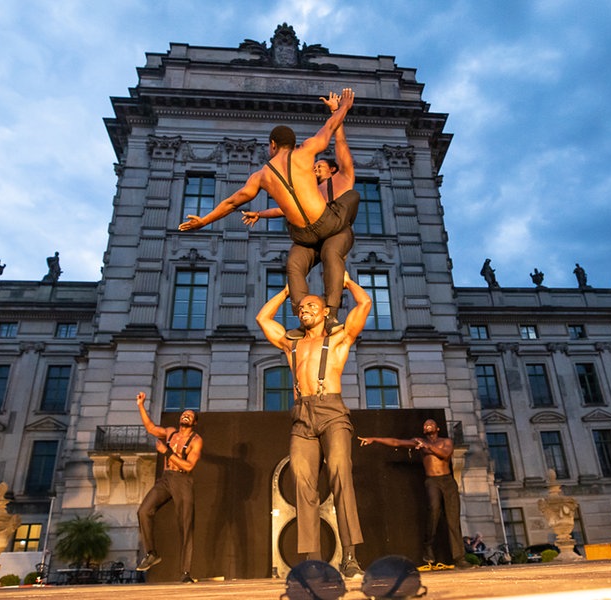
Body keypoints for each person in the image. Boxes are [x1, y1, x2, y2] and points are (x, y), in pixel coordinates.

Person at [183, 89, 357, 337]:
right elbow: (329, 128)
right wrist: (341, 109)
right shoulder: (306, 152)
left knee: (336, 233)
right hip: (311, 231)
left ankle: (329, 314)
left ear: (272, 145)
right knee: (295, 264)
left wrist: (204, 220)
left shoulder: (260, 176)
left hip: (320, 227)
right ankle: (307, 318)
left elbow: (231, 202)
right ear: (292, 143)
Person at [256, 271, 371, 578]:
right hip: (302, 415)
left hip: (332, 411)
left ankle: (350, 557)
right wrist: (284, 292)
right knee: (303, 484)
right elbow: (262, 319)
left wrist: (346, 283)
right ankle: (314, 562)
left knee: (339, 473)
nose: (303, 311)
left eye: (309, 307)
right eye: (301, 309)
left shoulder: (339, 338)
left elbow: (365, 303)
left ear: (323, 312)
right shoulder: (291, 344)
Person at [358, 420, 473, 571]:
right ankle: (428, 545)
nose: (427, 426)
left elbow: (445, 454)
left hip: (448, 481)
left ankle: (459, 558)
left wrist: (428, 446)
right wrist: (374, 439)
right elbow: (396, 442)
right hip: (432, 481)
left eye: (430, 424)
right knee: (434, 509)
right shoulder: (419, 441)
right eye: (425, 425)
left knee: (453, 519)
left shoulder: (446, 441)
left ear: (437, 428)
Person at [134, 391, 203, 583]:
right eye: (183, 414)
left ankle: (186, 572)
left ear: (194, 422)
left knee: (186, 525)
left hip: (183, 481)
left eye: (189, 415)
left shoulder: (196, 441)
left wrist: (167, 452)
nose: (185, 415)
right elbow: (150, 427)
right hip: (166, 479)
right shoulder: (170, 432)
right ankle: (151, 553)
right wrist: (141, 405)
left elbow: (189, 466)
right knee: (144, 511)